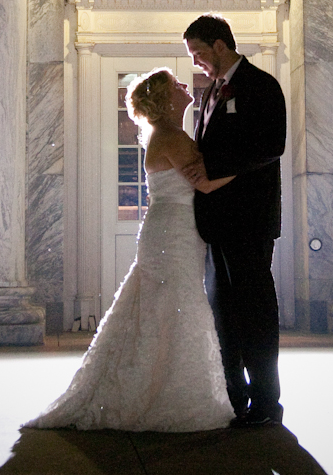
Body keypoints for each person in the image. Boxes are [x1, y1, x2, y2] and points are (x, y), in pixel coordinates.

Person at [26, 68, 235, 432]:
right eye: (177, 85)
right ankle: (168, 393)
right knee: (177, 304)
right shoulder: (171, 136)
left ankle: (155, 384)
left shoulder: (165, 134)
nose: (186, 87)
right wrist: (249, 166)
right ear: (167, 99)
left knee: (162, 307)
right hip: (174, 233)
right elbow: (205, 183)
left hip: (169, 230)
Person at [182, 14, 287, 428]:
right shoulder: (210, 93)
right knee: (223, 312)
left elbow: (269, 146)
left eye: (200, 53)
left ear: (221, 46)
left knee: (254, 311)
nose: (198, 63)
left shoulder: (261, 85)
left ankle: (266, 401)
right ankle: (235, 397)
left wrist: (213, 178)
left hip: (250, 218)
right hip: (216, 223)